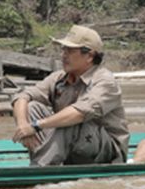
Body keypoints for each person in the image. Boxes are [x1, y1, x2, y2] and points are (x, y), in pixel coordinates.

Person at [10, 25, 129, 166]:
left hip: (106, 152)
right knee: (31, 107)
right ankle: (43, 161)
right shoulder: (59, 78)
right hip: (73, 146)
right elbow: (22, 96)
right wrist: (23, 125)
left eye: (70, 50)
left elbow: (79, 113)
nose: (64, 55)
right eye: (63, 49)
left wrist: (36, 126)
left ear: (89, 56)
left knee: (70, 120)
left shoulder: (105, 82)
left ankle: (40, 167)